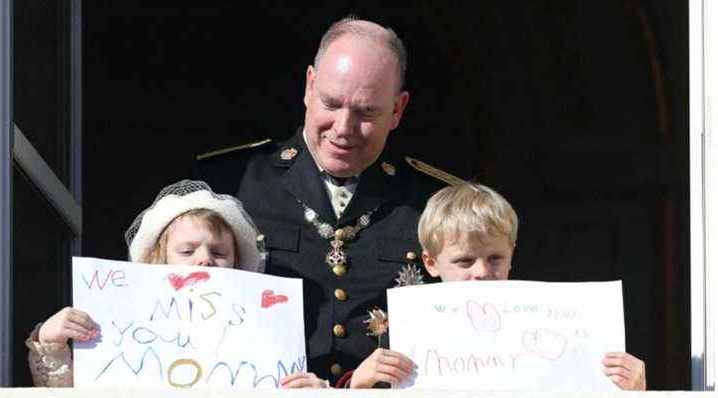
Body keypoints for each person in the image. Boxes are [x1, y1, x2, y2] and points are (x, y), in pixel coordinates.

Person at [198, 16, 455, 386]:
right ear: (309, 86)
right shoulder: (228, 185)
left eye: (366, 112)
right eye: (331, 104)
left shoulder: (434, 203)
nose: (344, 128)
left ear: (397, 110)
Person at [347, 183, 647, 390]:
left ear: (512, 254)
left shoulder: (551, 321)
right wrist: (358, 386)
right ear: (431, 262)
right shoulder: (404, 336)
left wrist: (635, 391)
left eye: (495, 258)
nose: (481, 272)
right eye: (464, 261)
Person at [25, 180, 266, 387]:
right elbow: (69, 390)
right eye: (187, 250)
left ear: (236, 265)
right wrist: (51, 344)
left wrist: (301, 390)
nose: (204, 259)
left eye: (219, 253)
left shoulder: (260, 331)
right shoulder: (120, 324)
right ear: (158, 261)